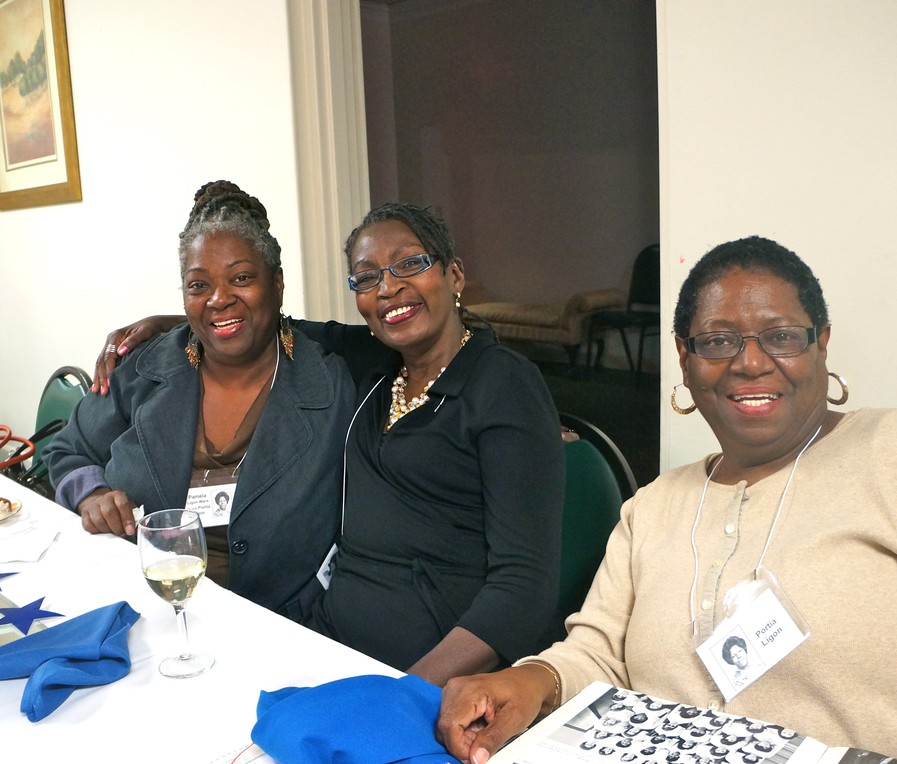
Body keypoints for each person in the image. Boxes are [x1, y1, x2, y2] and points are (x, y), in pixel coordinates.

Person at [436, 236, 897, 763]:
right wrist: (530, 680)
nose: (750, 362)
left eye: (781, 336)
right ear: (685, 358)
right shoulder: (653, 508)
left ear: (821, 343)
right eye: (718, 341)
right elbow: (600, 653)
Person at [89, 202, 564, 687]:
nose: (388, 288)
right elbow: (256, 322)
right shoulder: (375, 366)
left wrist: (408, 692)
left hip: (428, 673)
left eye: (410, 264)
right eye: (367, 277)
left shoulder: (505, 386)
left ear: (454, 274)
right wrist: (168, 322)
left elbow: (524, 587)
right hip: (325, 641)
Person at [47, 180, 354, 623]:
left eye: (241, 278)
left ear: (277, 283)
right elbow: (67, 449)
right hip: (142, 609)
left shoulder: (330, 385)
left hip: (280, 624)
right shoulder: (144, 366)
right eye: (198, 285)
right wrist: (92, 493)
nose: (218, 298)